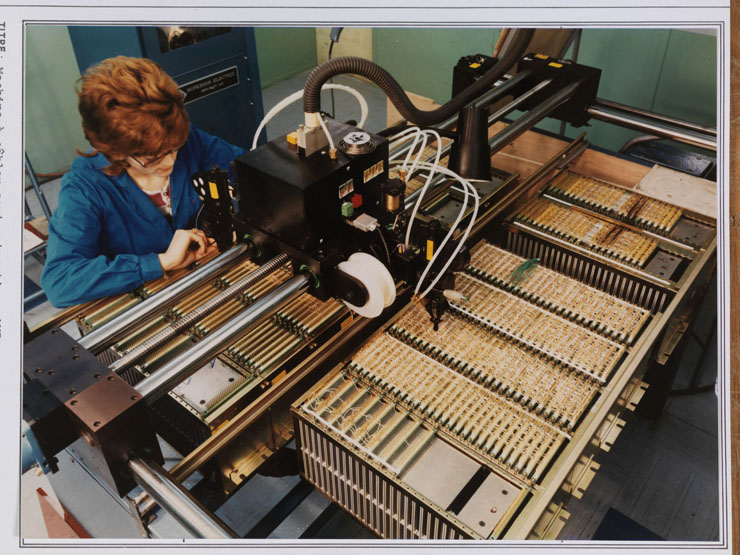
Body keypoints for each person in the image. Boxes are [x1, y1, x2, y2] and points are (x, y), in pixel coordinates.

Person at [41, 56, 246, 308]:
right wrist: (160, 263)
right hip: (145, 306)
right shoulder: (86, 185)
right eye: (154, 158)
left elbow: (251, 173)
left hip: (210, 282)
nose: (171, 161)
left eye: (175, 148)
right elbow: (60, 282)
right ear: (116, 152)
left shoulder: (185, 140)